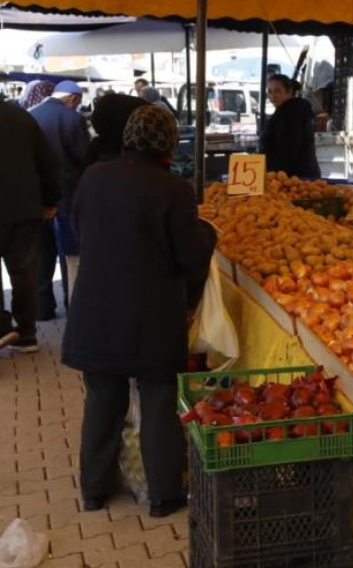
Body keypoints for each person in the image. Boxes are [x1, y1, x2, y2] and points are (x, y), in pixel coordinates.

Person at [63, 105, 216, 518]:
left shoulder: (93, 177)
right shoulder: (173, 190)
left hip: (97, 313)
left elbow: (80, 230)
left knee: (102, 401)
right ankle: (164, 496)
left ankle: (94, 490)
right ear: (167, 143)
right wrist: (207, 231)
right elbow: (191, 256)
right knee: (159, 403)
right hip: (150, 319)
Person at [29, 80, 90, 326]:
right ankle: (72, 304)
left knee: (42, 253)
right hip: (67, 196)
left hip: (38, 197)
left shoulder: (31, 115)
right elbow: (84, 158)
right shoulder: (72, 120)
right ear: (73, 99)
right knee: (70, 255)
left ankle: (42, 308)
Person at [0, 103, 60, 352]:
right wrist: (50, 200)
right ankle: (26, 333)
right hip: (24, 208)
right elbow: (48, 162)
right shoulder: (20, 116)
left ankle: (2, 328)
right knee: (25, 273)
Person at [262, 74, 320, 178]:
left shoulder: (290, 113)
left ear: (289, 92)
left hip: (293, 179)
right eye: (270, 91)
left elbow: (288, 149)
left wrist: (277, 176)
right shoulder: (291, 110)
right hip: (304, 175)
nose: (273, 95)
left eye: (278, 91)